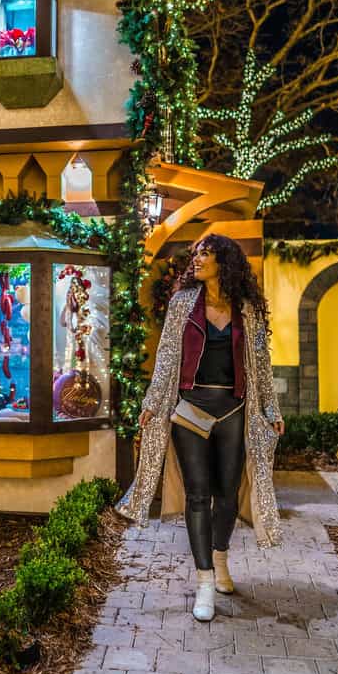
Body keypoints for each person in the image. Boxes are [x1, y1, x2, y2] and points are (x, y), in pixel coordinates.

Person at [115, 235, 285, 622]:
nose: (197, 259)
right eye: (196, 254)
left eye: (205, 253)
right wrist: (153, 402)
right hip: (190, 410)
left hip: (234, 410)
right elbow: (167, 357)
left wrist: (271, 409)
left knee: (226, 496)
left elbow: (260, 361)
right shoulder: (181, 305)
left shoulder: (248, 309)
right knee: (197, 496)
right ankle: (204, 580)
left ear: (224, 261)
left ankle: (220, 559)